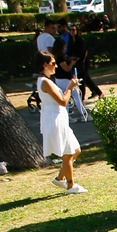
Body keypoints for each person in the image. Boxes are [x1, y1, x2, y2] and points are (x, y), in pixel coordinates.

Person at [34, 50, 84, 194]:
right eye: (53, 63)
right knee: (67, 153)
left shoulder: (46, 80)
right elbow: (62, 101)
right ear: (45, 65)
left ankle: (60, 178)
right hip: (55, 119)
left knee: (76, 150)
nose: (56, 66)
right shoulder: (45, 82)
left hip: (59, 117)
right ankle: (70, 186)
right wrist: (70, 87)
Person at [66, 25, 102, 101]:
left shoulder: (81, 40)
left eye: (74, 30)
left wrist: (74, 58)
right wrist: (69, 57)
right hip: (76, 62)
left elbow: (81, 53)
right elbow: (69, 51)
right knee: (87, 80)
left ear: (77, 31)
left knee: (81, 80)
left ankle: (81, 99)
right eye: (70, 30)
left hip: (83, 62)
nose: (72, 31)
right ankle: (99, 93)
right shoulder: (71, 41)